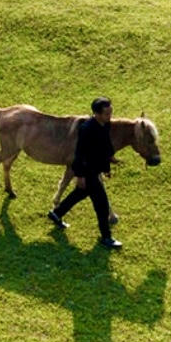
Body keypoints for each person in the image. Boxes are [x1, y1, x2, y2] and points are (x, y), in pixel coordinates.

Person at [47, 97, 123, 250]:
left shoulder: (105, 125)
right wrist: (80, 176)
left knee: (80, 194)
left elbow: (105, 145)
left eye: (111, 112)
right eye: (107, 113)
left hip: (95, 168)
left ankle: (57, 213)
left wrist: (109, 163)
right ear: (97, 114)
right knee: (101, 204)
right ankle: (106, 237)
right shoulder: (87, 129)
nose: (110, 116)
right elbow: (79, 153)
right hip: (88, 171)